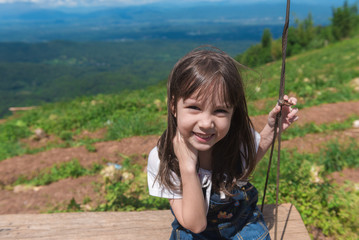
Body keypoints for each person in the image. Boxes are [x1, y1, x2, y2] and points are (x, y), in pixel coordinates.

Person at [147, 46, 299, 240]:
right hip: (194, 229)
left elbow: (247, 162)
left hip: (241, 224)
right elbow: (196, 224)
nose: (206, 123)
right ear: (173, 107)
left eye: (220, 111)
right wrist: (187, 167)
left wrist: (272, 130)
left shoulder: (236, 139)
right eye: (194, 107)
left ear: (233, 112)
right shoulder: (163, 159)